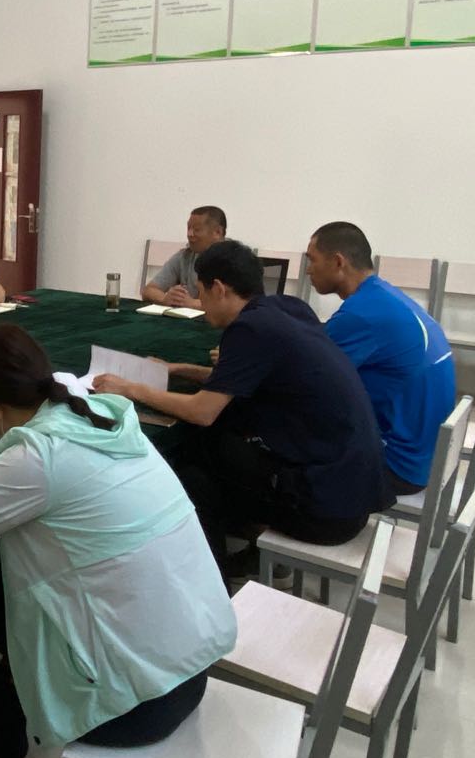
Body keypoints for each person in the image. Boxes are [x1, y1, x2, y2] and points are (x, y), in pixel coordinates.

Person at [0, 324, 236, 758]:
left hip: (135, 706)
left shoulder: (36, 459)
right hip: (192, 668)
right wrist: (2, 458)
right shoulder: (100, 415)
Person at [95, 240, 392, 576]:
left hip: (324, 510)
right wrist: (179, 369)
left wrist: (131, 388)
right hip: (354, 490)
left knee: (192, 471)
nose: (201, 304)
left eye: (201, 293)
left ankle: (214, 580)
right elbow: (246, 375)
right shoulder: (286, 308)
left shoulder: (250, 328)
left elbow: (202, 411)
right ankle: (247, 548)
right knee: (218, 441)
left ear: (219, 289)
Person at [305, 222, 456, 496]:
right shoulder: (384, 297)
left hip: (395, 465)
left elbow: (304, 378)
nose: (307, 270)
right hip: (427, 456)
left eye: (312, 260)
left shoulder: (361, 315)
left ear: (338, 262)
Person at [141, 205, 228, 309]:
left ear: (217, 232)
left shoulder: (234, 260)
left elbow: (234, 305)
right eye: (188, 228)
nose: (189, 234)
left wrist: (193, 304)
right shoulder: (184, 256)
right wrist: (166, 298)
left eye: (196, 230)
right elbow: (148, 290)